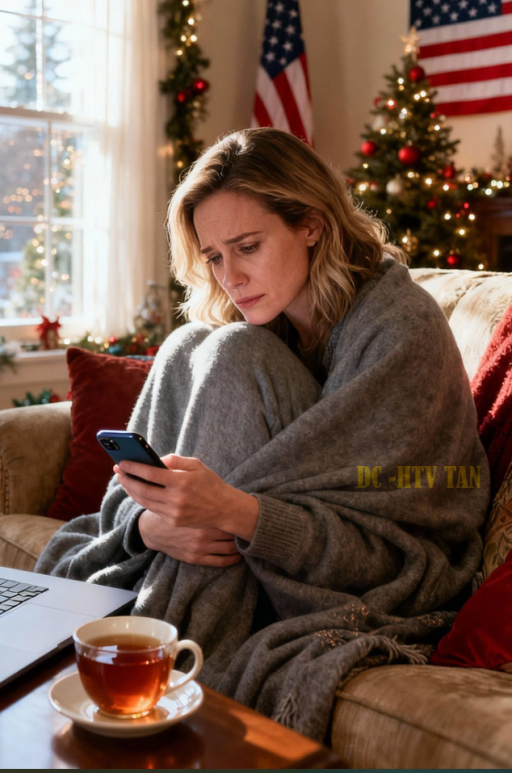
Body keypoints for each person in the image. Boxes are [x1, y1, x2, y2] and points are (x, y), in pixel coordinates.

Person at [35, 128, 489, 741]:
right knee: (194, 341)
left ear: (312, 224)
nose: (231, 276)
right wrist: (151, 525)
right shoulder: (252, 320)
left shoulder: (399, 329)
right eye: (215, 256)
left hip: (395, 566)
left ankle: (169, 680)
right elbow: (130, 499)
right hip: (237, 554)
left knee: (233, 354)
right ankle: (156, 669)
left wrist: (236, 512)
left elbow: (399, 527)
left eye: (247, 246)